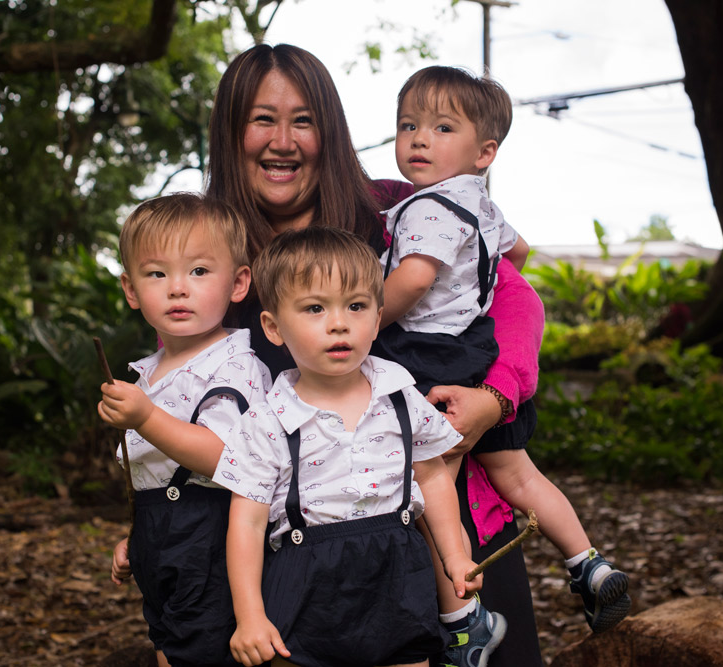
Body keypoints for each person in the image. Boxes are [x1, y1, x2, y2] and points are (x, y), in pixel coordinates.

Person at [112, 43, 546, 667]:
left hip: (445, 497)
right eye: (262, 119)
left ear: (330, 131)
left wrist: (495, 397)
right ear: (232, 134)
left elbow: (512, 293)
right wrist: (154, 531)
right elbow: (183, 412)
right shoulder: (204, 252)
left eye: (303, 120)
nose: (282, 141)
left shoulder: (400, 210)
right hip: (299, 555)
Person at [378, 65, 631, 650]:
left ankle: (466, 623)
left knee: (433, 484)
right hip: (477, 348)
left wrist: (366, 323)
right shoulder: (478, 201)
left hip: (426, 354)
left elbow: (413, 281)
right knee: (516, 471)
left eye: (442, 128)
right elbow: (519, 251)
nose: (419, 139)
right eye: (408, 125)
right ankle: (587, 562)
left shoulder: (427, 208)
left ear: (484, 151)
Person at [214, 226, 481, 667]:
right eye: (315, 308)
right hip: (307, 581)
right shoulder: (267, 420)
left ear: (376, 320)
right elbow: (246, 523)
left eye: (356, 306)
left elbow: (433, 474)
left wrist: (454, 554)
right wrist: (250, 617)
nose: (339, 322)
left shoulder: (400, 396)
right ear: (274, 327)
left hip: (398, 575)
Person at [97, 193, 273, 667]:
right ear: (131, 290)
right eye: (157, 274)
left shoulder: (234, 367)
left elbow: (226, 460)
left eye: (198, 271)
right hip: (166, 534)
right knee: (167, 642)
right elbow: (153, 472)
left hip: (212, 535)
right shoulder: (150, 372)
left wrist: (145, 419)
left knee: (201, 650)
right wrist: (138, 538)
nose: (178, 288)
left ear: (238, 283)